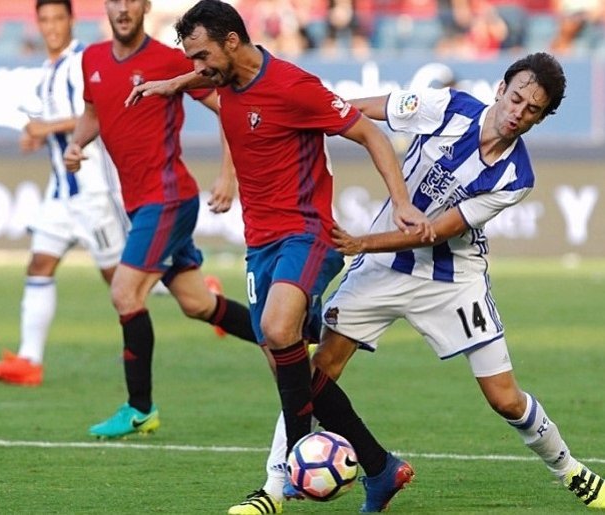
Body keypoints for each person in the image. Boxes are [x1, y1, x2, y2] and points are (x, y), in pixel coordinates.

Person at [241, 52, 605, 513]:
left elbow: (440, 230)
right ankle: (275, 487)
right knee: (312, 373)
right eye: (516, 99)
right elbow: (361, 110)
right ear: (501, 89)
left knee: (506, 400)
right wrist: (317, 113)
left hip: (453, 280)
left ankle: (570, 469)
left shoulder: (517, 177)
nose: (518, 113)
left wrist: (362, 243)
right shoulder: (448, 107)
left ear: (540, 118)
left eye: (532, 110)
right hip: (382, 267)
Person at [125, 0, 433, 511]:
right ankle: (380, 467)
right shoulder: (222, 78)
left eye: (201, 55)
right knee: (286, 363)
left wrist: (400, 203)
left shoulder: (294, 87)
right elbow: (202, 81)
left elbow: (370, 133)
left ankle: (294, 460)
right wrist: (173, 84)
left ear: (231, 41)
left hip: (307, 233)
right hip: (260, 243)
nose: (196, 68)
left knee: (276, 330)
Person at [63, 0, 262, 440]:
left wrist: (228, 175)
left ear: (145, 7)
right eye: (115, 1)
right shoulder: (92, 59)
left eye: (132, 0)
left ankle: (140, 409)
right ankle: (289, 335)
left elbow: (226, 106)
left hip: (168, 198)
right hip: (140, 204)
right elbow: (94, 113)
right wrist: (77, 145)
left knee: (124, 291)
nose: (123, 9)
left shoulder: (172, 61)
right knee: (196, 303)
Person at [0, 0, 127, 387]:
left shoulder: (80, 62)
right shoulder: (48, 71)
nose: (51, 26)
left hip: (93, 189)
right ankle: (30, 359)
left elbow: (98, 113)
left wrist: (43, 129)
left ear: (71, 21)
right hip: (61, 193)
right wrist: (37, 138)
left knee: (123, 281)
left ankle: (201, 295)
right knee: (39, 265)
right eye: (44, 19)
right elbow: (52, 129)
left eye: (58, 18)